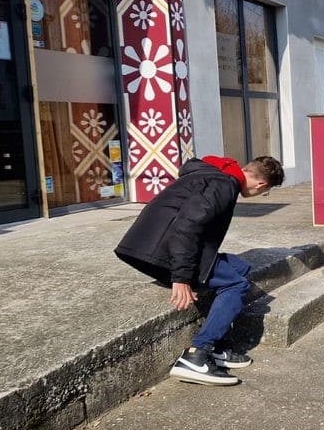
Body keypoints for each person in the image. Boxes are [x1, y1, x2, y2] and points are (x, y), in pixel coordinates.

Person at [115, 154, 284, 386]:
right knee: (237, 284)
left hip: (153, 246)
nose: (261, 193)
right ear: (261, 184)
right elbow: (186, 228)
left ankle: (217, 347)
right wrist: (181, 278)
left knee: (239, 267)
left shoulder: (217, 176)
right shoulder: (223, 185)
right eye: (264, 191)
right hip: (159, 253)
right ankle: (197, 355)